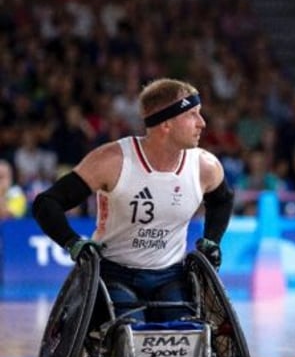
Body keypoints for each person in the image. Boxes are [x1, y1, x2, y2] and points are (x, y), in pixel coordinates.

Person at [31, 78, 234, 322]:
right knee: (130, 335)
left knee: (186, 335)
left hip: (171, 275)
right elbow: (46, 203)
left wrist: (212, 240)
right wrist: (72, 243)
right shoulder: (112, 160)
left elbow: (223, 200)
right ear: (166, 123)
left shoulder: (205, 166)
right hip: (114, 273)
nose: (202, 123)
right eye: (192, 114)